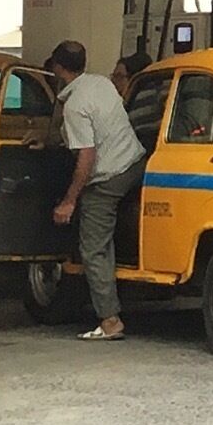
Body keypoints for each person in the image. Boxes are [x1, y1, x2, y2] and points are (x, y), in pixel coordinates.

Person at [48, 41, 146, 342]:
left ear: (58, 68)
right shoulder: (102, 84)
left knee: (94, 246)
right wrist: (49, 140)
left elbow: (87, 157)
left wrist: (69, 201)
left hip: (109, 176)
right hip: (135, 162)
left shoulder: (75, 106)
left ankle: (109, 320)